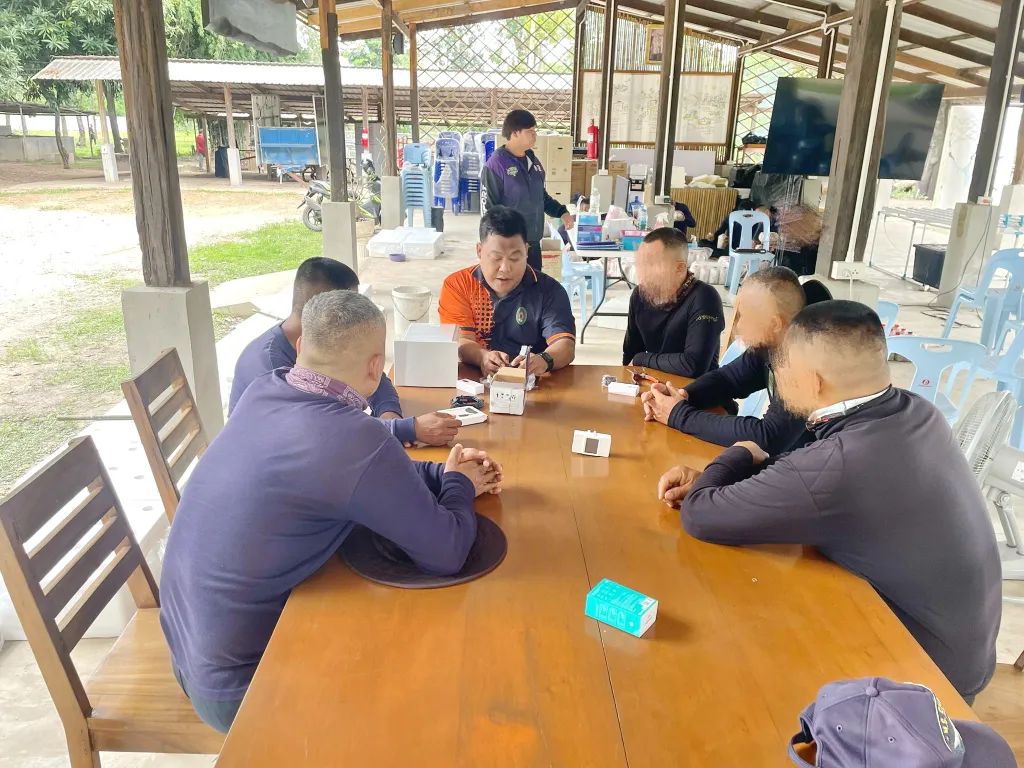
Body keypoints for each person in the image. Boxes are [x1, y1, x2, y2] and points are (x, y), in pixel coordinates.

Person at [161, 291, 503, 732]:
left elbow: (366, 473)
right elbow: (447, 552)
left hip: (188, 654)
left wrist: (443, 474)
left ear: (302, 345)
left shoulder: (267, 388)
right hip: (245, 687)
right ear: (375, 367)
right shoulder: (354, 438)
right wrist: (458, 485)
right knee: (434, 678)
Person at [657, 300, 1001, 700]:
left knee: (740, 651)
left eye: (782, 367)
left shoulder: (839, 463)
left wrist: (740, 452)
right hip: (961, 645)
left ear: (813, 382)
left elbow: (701, 515)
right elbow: (806, 471)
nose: (778, 377)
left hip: (923, 676)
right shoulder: (917, 411)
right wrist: (715, 476)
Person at [230, 257, 459, 447]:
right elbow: (317, 430)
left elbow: (373, 376)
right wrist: (406, 429)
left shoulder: (326, 342)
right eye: (352, 305)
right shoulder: (269, 366)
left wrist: (389, 413)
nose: (359, 314)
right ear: (329, 308)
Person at [642, 266, 811, 456]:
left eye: (745, 317)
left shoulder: (807, 361)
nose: (738, 327)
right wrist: (681, 396)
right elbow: (728, 379)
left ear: (775, 324)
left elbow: (768, 437)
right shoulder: (771, 343)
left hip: (811, 468)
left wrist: (680, 415)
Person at [439, 206, 576, 377]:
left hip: (532, 381)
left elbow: (565, 344)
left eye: (514, 258)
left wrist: (543, 360)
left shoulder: (549, 290)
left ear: (526, 251)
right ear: (479, 251)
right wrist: (482, 357)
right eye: (496, 257)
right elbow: (461, 341)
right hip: (474, 381)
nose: (505, 268)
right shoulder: (459, 285)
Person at [622, 228, 724, 377]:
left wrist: (642, 359)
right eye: (641, 263)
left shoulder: (705, 298)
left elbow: (693, 365)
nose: (643, 271)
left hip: (695, 388)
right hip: (654, 384)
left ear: (680, 267)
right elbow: (630, 354)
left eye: (652, 264)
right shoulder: (640, 295)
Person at [482, 109, 575, 271]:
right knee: (512, 285)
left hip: (533, 241)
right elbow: (489, 209)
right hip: (509, 245)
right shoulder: (496, 164)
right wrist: (496, 244)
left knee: (533, 283)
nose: (534, 135)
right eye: (529, 131)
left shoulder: (533, 161)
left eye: (534, 130)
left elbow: (541, 197)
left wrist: (562, 212)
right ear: (515, 133)